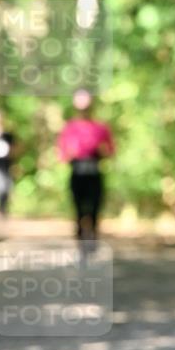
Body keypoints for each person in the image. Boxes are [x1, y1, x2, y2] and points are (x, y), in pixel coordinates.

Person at [57, 88, 115, 245]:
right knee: (78, 203)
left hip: (94, 170)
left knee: (96, 202)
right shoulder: (70, 128)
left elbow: (110, 151)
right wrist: (71, 154)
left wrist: (102, 151)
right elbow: (62, 154)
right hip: (77, 170)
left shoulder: (100, 128)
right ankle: (80, 232)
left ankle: (93, 231)